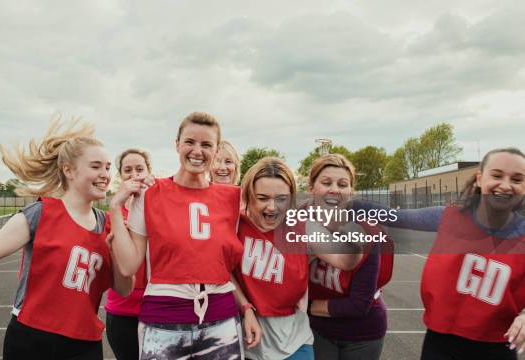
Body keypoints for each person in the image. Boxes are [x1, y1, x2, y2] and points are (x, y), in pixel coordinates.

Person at [0, 116, 133, 360]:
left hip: (85, 345)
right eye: (96, 166)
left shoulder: (109, 224)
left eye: (107, 167)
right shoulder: (41, 214)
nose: (105, 174)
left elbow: (124, 289)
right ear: (68, 170)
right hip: (32, 340)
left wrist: (120, 249)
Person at [356, 148, 525, 360]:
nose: (506, 184)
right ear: (480, 179)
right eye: (497, 175)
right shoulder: (448, 216)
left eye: (517, 179)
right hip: (441, 344)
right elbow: (393, 215)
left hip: (497, 348)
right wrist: (347, 203)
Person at [109, 111, 254, 359]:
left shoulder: (232, 198)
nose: (197, 151)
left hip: (220, 319)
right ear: (177, 145)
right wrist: (114, 207)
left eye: (206, 144)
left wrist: (247, 309)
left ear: (216, 150)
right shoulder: (150, 193)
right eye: (190, 142)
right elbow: (128, 265)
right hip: (163, 319)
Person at [233, 157, 363, 360]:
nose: (272, 207)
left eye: (281, 199)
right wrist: (245, 307)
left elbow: (345, 260)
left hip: (294, 345)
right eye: (262, 197)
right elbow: (220, 272)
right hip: (246, 346)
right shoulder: (235, 224)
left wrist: (351, 234)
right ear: (249, 196)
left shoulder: (302, 227)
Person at [306, 154, 393, 360]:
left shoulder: (368, 232)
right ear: (311, 188)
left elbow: (358, 305)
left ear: (350, 192)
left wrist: (306, 306)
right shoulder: (297, 225)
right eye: (326, 182)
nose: (334, 189)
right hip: (317, 330)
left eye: (342, 184)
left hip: (362, 333)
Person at [105, 148, 152, 360]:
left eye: (139, 169)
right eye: (128, 170)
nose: (134, 175)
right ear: (120, 176)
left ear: (149, 172)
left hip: (157, 309)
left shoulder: (160, 207)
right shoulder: (112, 215)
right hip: (122, 311)